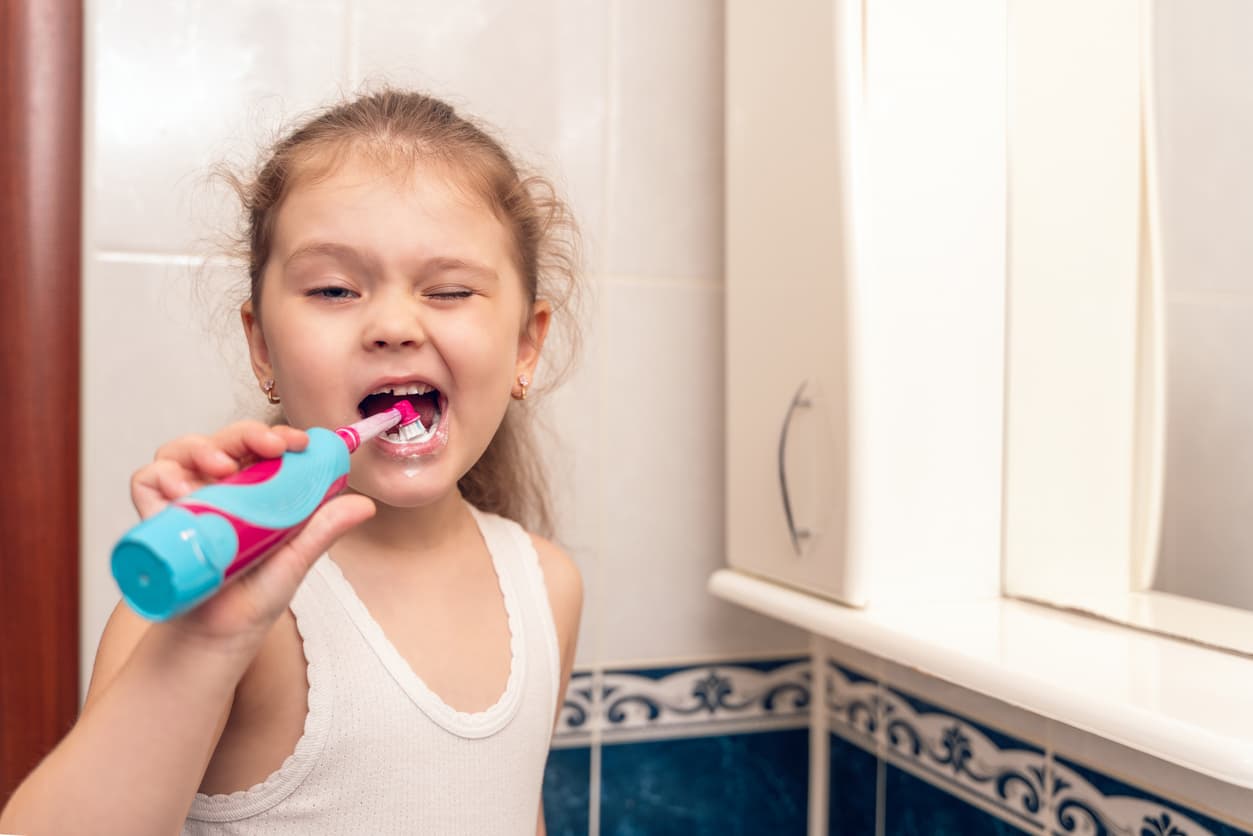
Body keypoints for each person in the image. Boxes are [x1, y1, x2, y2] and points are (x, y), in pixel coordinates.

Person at [0, 89, 584, 835]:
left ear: (524, 349)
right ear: (263, 347)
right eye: (335, 288)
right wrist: (205, 641)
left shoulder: (547, 586)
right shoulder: (221, 605)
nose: (394, 325)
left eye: (448, 290)